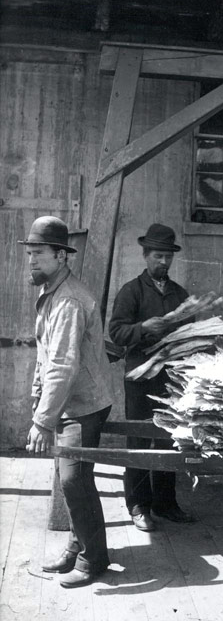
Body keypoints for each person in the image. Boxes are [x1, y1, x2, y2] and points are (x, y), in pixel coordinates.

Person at [20, 216, 113, 588]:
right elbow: (45, 356)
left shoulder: (69, 301)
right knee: (70, 478)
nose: (31, 261)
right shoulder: (51, 293)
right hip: (68, 403)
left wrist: (43, 422)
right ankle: (77, 546)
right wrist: (37, 399)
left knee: (75, 481)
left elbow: (62, 365)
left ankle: (94, 560)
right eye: (29, 253)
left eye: (38, 254)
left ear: (61, 256)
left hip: (84, 404)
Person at [109, 223, 194, 532]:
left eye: (168, 257)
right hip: (141, 379)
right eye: (158, 256)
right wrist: (144, 329)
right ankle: (139, 504)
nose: (163, 262)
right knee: (140, 439)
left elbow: (190, 333)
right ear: (145, 255)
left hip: (171, 380)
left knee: (171, 439)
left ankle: (166, 502)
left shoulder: (179, 294)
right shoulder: (131, 291)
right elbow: (116, 332)